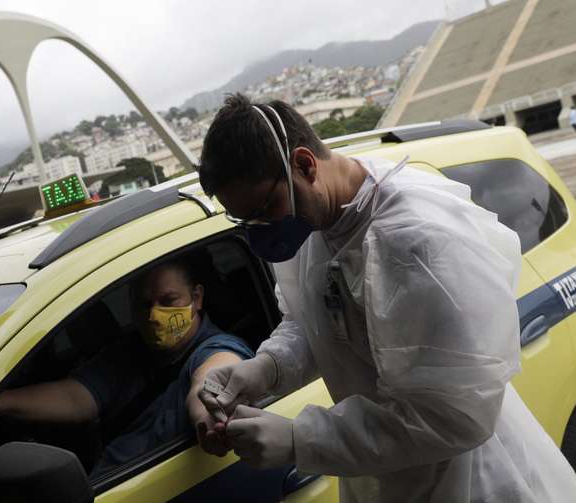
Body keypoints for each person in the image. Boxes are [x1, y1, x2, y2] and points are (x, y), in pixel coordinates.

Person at [196, 93, 576, 502]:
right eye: (247, 220)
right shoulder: (317, 221)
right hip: (390, 478)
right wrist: (267, 367)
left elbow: (455, 417)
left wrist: (299, 439)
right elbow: (318, 318)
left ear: (304, 166)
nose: (263, 229)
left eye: (265, 208)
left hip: (472, 484)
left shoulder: (416, 242)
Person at [0, 257, 253, 477]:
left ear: (197, 297)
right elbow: (75, 396)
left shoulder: (217, 348)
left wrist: (211, 419)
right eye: (144, 304)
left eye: (168, 301)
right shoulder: (130, 352)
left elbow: (213, 380)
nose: (154, 315)